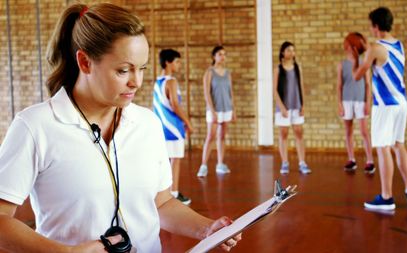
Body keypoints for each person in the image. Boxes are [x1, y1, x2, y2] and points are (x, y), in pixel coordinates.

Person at [0, 3, 240, 252]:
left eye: (142, 68)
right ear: (84, 62)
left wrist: (206, 228)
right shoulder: (34, 126)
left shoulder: (148, 124)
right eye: (123, 70)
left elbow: (161, 202)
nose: (136, 82)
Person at [352, 7, 407, 210]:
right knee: (398, 145)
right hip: (402, 103)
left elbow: (357, 76)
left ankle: (387, 197)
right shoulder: (399, 45)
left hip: (385, 105)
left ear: (376, 26)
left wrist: (356, 55)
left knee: (382, 148)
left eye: (371, 26)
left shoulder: (374, 48)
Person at [153, 49, 193, 205]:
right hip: (174, 128)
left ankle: (164, 193)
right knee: (175, 161)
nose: (179, 65)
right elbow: (175, 105)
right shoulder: (172, 81)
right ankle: (174, 193)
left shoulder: (158, 81)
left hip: (161, 128)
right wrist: (188, 123)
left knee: (164, 162)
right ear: (168, 62)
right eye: (177, 61)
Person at [337, 32, 375, 174]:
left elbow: (367, 84)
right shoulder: (342, 64)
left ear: (353, 46)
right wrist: (339, 103)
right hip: (347, 101)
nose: (345, 46)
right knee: (348, 131)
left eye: (348, 44)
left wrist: (367, 103)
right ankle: (351, 159)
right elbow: (339, 85)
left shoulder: (364, 62)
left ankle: (370, 160)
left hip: (360, 100)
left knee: (364, 132)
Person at [197, 46, 236, 177]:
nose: (223, 56)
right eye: (220, 54)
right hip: (214, 109)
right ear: (214, 56)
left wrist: (233, 109)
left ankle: (220, 164)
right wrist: (212, 110)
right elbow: (206, 93)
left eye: (224, 54)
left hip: (227, 108)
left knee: (222, 136)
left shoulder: (228, 73)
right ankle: (203, 166)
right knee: (210, 137)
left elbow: (231, 93)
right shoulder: (209, 72)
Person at [273, 41, 311, 175]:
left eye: (293, 50)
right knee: (283, 134)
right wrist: (282, 107)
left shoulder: (297, 68)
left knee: (299, 133)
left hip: (296, 106)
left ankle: (302, 162)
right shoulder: (278, 69)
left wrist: (303, 105)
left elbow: (301, 87)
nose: (291, 52)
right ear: (283, 52)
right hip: (283, 107)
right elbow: (274, 91)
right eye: (289, 50)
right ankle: (284, 162)